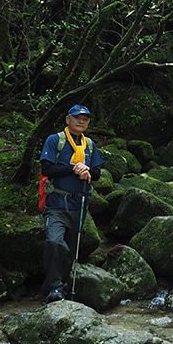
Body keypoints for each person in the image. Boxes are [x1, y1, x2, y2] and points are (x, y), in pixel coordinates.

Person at [38, 104, 103, 304]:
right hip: (57, 203)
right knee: (55, 242)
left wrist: (88, 172)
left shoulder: (89, 145)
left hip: (80, 204)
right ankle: (53, 288)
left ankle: (61, 286)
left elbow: (98, 173)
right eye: (77, 117)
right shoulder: (55, 140)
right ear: (68, 119)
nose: (81, 121)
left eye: (85, 118)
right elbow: (47, 168)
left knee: (71, 248)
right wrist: (73, 168)